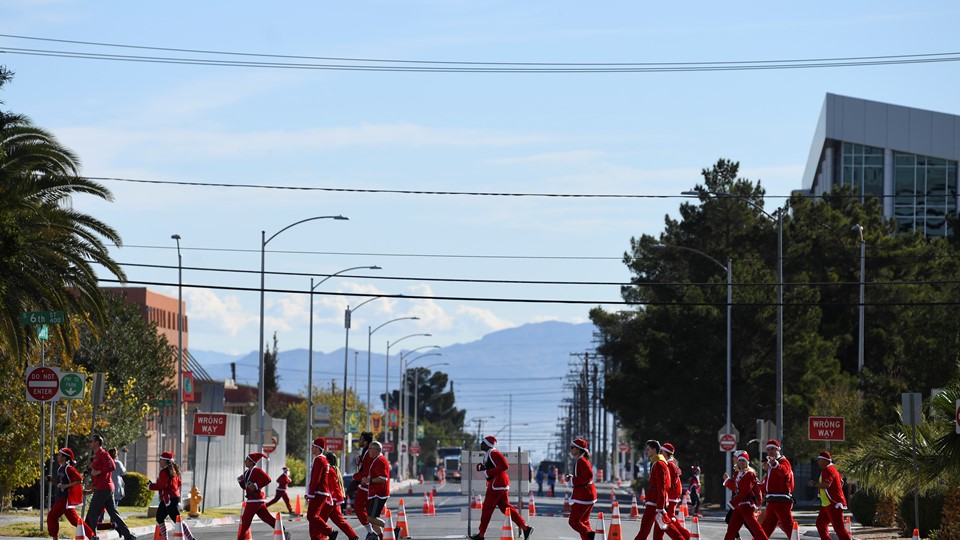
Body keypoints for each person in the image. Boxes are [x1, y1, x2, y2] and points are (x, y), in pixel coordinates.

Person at [468, 435, 533, 540]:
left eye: (483, 442)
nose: (481, 444)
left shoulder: (493, 453)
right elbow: (497, 466)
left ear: (488, 444)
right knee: (505, 507)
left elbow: (504, 466)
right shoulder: (491, 454)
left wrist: (488, 472)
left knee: (487, 509)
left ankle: (481, 535)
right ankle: (525, 528)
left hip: (497, 484)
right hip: (500, 483)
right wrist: (485, 468)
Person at [84, 435, 136, 540]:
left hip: (104, 488)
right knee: (113, 513)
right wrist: (88, 476)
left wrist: (97, 472)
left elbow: (112, 466)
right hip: (103, 488)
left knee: (92, 513)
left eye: (91, 441)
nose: (89, 443)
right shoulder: (96, 456)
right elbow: (92, 472)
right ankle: (128, 536)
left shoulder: (103, 454)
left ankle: (93, 536)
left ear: (97, 443)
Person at [633, 440, 687, 540]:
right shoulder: (658, 463)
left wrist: (660, 506)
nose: (647, 451)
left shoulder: (659, 464)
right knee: (661, 527)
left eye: (648, 449)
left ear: (654, 450)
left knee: (650, 527)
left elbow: (662, 486)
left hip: (656, 503)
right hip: (655, 501)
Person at [237, 452, 289, 540]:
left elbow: (268, 479)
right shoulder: (246, 472)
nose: (245, 461)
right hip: (254, 500)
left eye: (247, 460)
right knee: (266, 518)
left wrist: (256, 485)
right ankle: (283, 532)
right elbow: (244, 487)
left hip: (255, 500)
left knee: (245, 521)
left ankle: (240, 538)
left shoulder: (257, 470)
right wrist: (240, 480)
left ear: (251, 461)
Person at [47, 448, 96, 540]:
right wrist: (52, 480)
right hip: (63, 499)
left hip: (64, 499)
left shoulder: (68, 468)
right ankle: (92, 536)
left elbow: (79, 480)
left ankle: (55, 538)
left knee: (51, 516)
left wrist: (66, 486)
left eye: (60, 455)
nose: (58, 456)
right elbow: (60, 484)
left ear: (65, 457)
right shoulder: (60, 469)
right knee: (75, 521)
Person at [722, 451, 769, 540]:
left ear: (747, 462)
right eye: (739, 461)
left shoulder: (749, 474)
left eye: (743, 461)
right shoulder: (737, 473)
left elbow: (744, 491)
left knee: (755, 528)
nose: (741, 463)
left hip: (747, 505)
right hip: (739, 506)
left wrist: (733, 503)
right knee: (732, 528)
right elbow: (737, 489)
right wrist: (728, 481)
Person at [808, 452, 852, 540]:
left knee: (839, 529)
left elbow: (827, 484)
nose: (818, 462)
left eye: (819, 460)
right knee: (820, 524)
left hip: (833, 504)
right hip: (826, 504)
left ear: (825, 460)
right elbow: (841, 482)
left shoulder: (828, 470)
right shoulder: (832, 469)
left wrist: (814, 484)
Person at [760, 440, 795, 539]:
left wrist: (775, 464)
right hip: (772, 501)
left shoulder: (783, 461)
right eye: (768, 449)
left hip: (781, 501)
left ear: (778, 450)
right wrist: (759, 485)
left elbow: (784, 471)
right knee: (766, 528)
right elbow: (768, 484)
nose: (770, 451)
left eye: (773, 449)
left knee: (789, 528)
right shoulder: (771, 465)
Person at [307, 438, 338, 540]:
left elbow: (316, 477)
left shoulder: (319, 459)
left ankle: (330, 532)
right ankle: (317, 537)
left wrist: (310, 493)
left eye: (313, 446)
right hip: (320, 492)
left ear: (318, 448)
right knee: (313, 517)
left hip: (318, 493)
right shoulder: (322, 459)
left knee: (311, 516)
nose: (312, 448)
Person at [566, 438, 596, 540]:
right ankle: (589, 536)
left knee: (573, 521)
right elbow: (584, 476)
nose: (571, 449)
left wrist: (573, 481)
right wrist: (572, 478)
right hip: (589, 494)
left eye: (572, 447)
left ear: (578, 449)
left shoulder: (581, 460)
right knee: (583, 521)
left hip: (583, 495)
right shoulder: (583, 459)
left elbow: (588, 475)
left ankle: (590, 534)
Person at [325, 452, 360, 540]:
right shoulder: (335, 470)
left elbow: (331, 486)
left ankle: (323, 536)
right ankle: (353, 536)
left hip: (331, 500)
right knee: (339, 520)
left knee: (319, 519)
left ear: (327, 460)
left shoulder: (330, 471)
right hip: (335, 500)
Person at [659, 443, 690, 540]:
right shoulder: (671, 464)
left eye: (661, 451)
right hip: (673, 494)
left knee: (668, 518)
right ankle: (686, 536)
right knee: (670, 517)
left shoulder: (670, 465)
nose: (660, 453)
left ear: (665, 452)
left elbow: (669, 482)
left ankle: (684, 537)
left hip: (671, 495)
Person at [362, 441, 390, 540]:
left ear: (374, 450)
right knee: (373, 520)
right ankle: (381, 536)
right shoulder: (377, 460)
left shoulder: (380, 461)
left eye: (369, 449)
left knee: (370, 518)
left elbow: (383, 478)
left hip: (379, 494)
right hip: (375, 494)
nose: (368, 451)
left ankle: (393, 529)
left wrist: (369, 480)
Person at [148, 452, 182, 526]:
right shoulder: (174, 470)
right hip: (173, 497)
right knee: (160, 518)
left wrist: (150, 486)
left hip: (169, 499)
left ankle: (190, 537)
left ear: (165, 461)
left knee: (177, 520)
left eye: (160, 459)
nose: (159, 461)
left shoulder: (164, 471)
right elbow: (179, 483)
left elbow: (162, 486)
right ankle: (164, 537)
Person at [351, 432, 374, 537]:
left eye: (360, 439)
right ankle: (380, 534)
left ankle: (371, 532)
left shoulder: (368, 452)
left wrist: (355, 477)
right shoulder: (365, 451)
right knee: (371, 513)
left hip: (366, 485)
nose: (358, 441)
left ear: (365, 442)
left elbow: (366, 471)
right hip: (367, 484)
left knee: (358, 506)